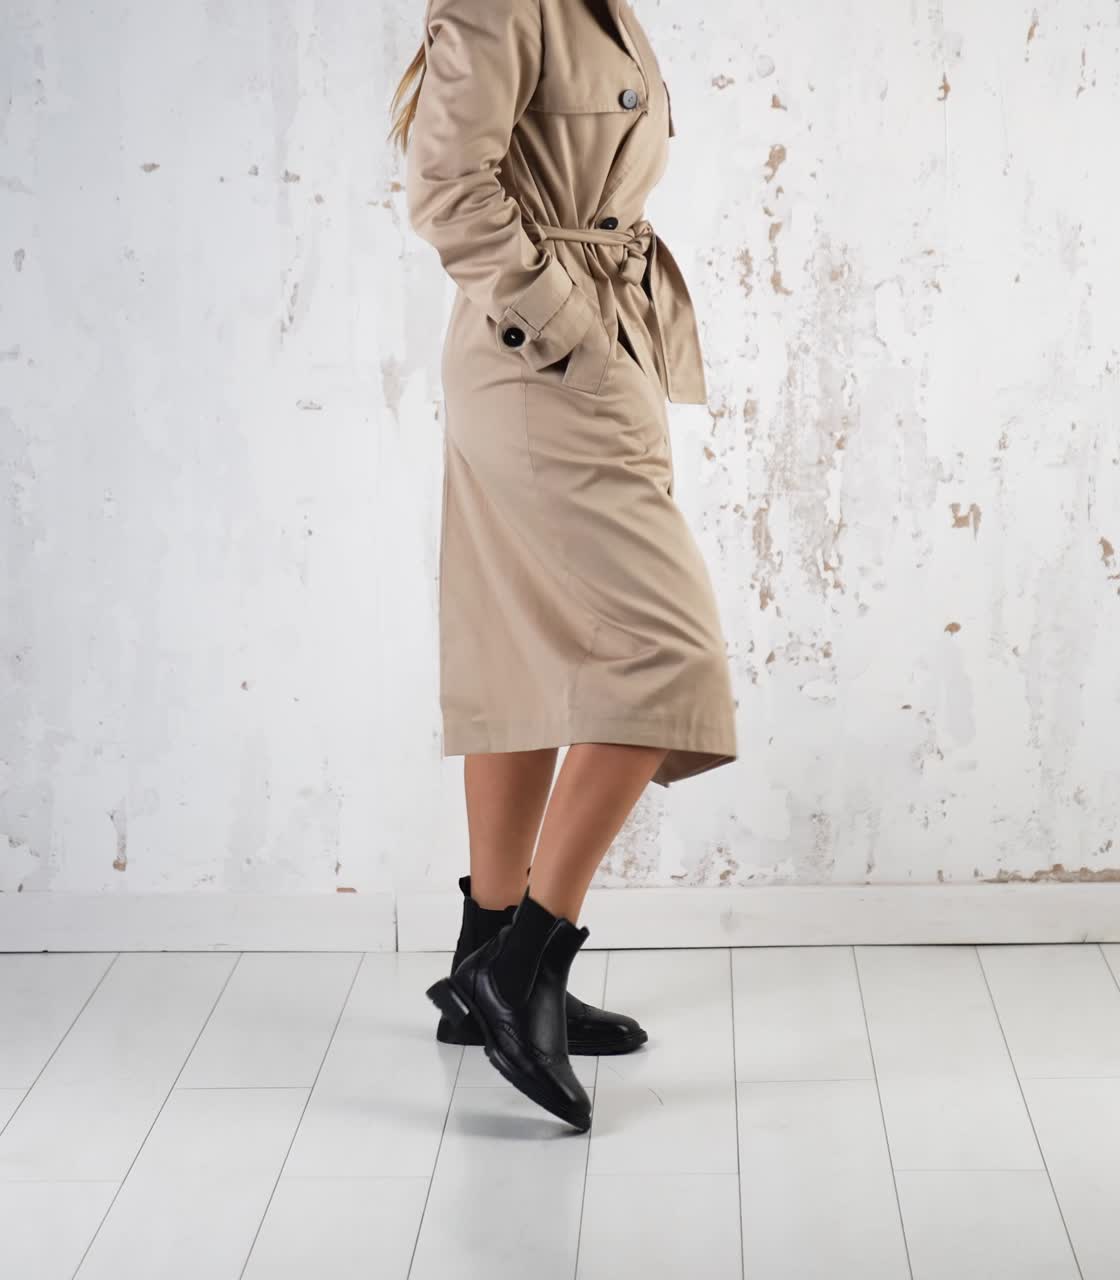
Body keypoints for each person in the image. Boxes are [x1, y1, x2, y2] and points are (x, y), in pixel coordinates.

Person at [389, 0, 738, 1133]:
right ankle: (523, 965)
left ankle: (480, 953)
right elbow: (448, 183)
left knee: (516, 645)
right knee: (661, 650)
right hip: (542, 355)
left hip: (572, 349)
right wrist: (570, 332)